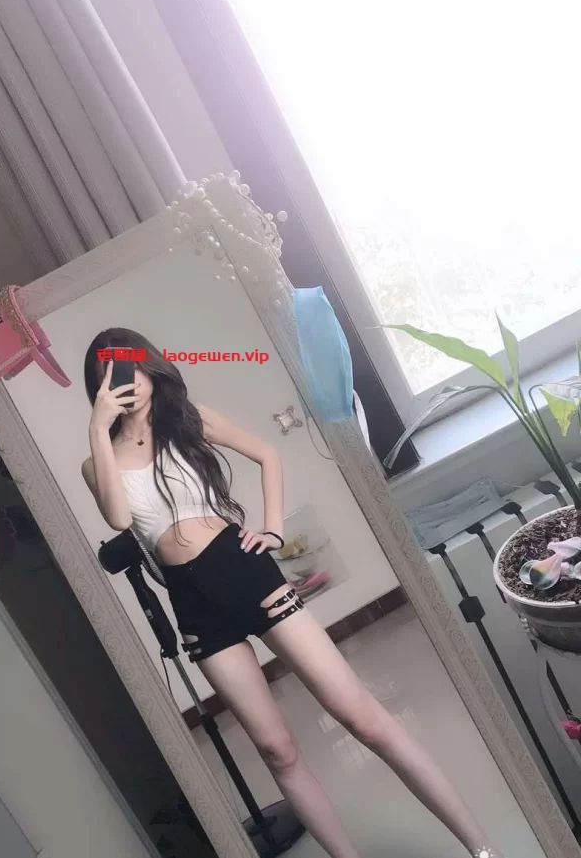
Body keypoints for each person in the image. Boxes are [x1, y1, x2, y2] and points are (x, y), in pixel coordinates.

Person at [80, 327, 501, 858]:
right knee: (277, 751)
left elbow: (267, 455)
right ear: (99, 386)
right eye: (112, 373)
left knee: (363, 718)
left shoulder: (188, 419)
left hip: (244, 571)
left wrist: (274, 529)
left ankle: (482, 850)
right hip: (193, 605)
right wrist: (98, 429)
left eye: (133, 366)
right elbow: (119, 518)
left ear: (150, 368)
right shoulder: (98, 460)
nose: (128, 382)